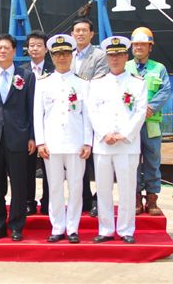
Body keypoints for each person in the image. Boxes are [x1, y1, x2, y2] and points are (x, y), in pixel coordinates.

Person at [87, 36, 147, 244]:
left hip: (127, 145)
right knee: (103, 189)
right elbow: (92, 111)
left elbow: (140, 112)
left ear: (126, 56)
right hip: (103, 145)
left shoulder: (137, 83)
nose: (115, 59)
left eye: (119, 55)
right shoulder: (97, 83)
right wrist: (104, 133)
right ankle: (105, 229)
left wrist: (125, 134)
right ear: (107, 56)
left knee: (127, 189)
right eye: (111, 55)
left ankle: (126, 229)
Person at [0, 34, 36, 242]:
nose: (2, 51)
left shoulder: (26, 76)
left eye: (6, 48)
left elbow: (31, 109)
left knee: (18, 186)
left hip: (17, 137)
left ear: (14, 51)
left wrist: (31, 136)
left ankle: (17, 226)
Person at [34, 34, 92, 243]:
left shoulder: (82, 83)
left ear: (72, 55)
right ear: (52, 55)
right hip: (52, 143)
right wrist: (40, 142)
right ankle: (57, 227)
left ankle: (73, 228)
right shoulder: (43, 82)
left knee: (76, 187)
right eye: (58, 54)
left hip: (76, 143)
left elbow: (87, 115)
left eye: (66, 53)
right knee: (55, 187)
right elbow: (37, 114)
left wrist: (88, 142)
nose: (62, 58)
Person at [126, 27, 172, 216]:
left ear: (150, 47)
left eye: (142, 45)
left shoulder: (158, 68)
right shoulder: (125, 67)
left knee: (152, 160)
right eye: (136, 44)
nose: (138, 48)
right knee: (132, 161)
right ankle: (136, 198)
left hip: (151, 122)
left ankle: (152, 199)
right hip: (130, 125)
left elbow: (165, 90)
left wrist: (149, 109)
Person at [70, 18, 108, 217]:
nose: (80, 34)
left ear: (92, 34)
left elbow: (99, 82)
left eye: (84, 30)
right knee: (80, 159)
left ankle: (97, 200)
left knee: (97, 162)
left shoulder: (100, 56)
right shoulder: (68, 54)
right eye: (77, 31)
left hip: (94, 115)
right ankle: (84, 198)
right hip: (74, 118)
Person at [21, 30, 55, 215]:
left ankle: (48, 200)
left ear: (46, 48)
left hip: (50, 125)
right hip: (28, 125)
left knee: (50, 165)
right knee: (28, 166)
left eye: (38, 45)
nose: (34, 49)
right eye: (31, 45)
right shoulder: (22, 71)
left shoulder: (54, 68)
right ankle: (28, 201)